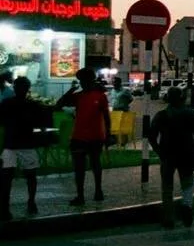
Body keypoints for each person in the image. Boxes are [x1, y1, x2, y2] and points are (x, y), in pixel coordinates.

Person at [146, 86, 194, 228]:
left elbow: (151, 136)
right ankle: (187, 206)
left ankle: (168, 217)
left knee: (167, 187)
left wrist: (159, 151)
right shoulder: (190, 113)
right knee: (187, 183)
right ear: (181, 98)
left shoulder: (162, 115)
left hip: (167, 155)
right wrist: (193, 148)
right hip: (186, 153)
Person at [56, 67, 111, 206]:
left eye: (84, 81)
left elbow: (106, 117)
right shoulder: (78, 96)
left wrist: (108, 134)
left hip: (95, 136)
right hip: (79, 136)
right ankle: (81, 195)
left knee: (94, 164)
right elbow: (59, 104)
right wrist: (71, 90)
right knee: (80, 167)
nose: (83, 83)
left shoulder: (100, 96)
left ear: (91, 81)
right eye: (81, 81)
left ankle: (97, 191)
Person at [0, 76, 44, 221]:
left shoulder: (7, 103)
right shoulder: (33, 105)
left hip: (11, 143)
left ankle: (5, 207)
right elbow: (40, 122)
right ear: (28, 89)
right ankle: (31, 202)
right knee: (30, 176)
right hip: (26, 143)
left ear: (14, 88)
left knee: (6, 177)